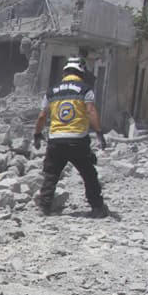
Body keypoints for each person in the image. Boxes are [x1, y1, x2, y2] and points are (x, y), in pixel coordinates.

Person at [33, 57, 109, 218]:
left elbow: (41, 116)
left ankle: (44, 207)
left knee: (51, 175)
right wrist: (99, 133)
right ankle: (97, 207)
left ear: (65, 72)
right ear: (81, 72)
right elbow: (91, 111)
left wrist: (37, 135)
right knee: (89, 174)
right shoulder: (85, 89)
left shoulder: (51, 91)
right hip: (78, 141)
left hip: (55, 140)